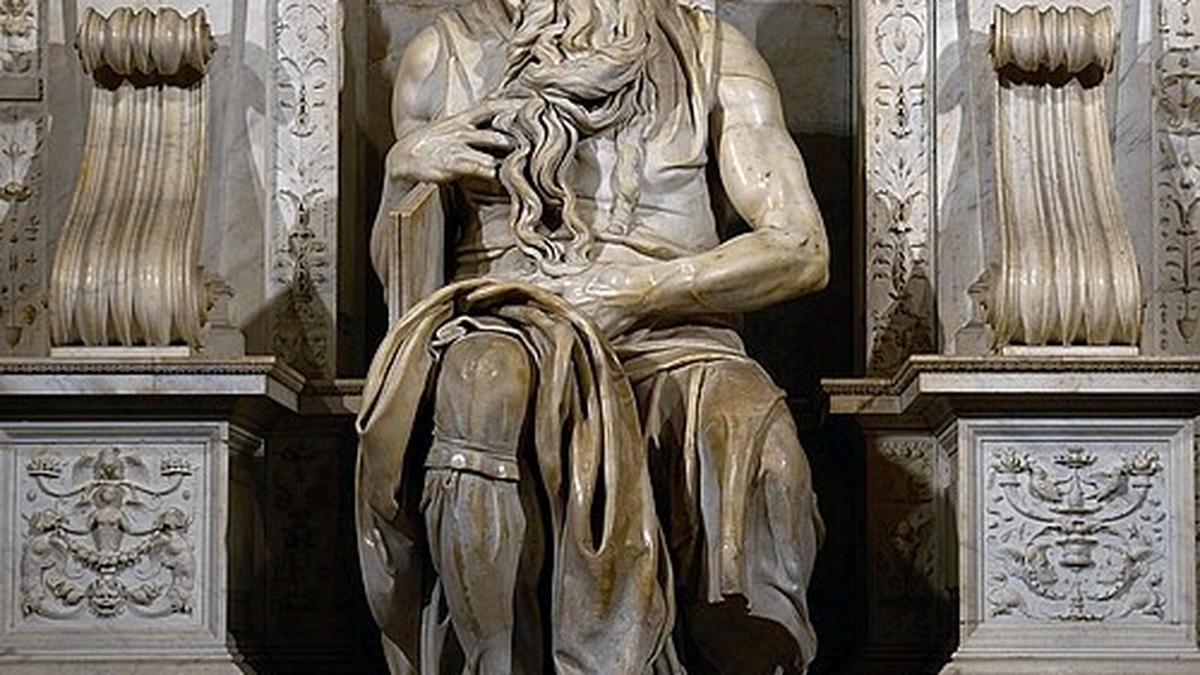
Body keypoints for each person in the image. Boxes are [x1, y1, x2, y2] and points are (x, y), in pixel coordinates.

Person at [358, 0, 830, 671]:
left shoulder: (713, 55)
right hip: (504, 317)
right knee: (480, 382)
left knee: (759, 438)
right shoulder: (441, 57)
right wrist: (404, 173)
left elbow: (801, 247)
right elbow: (402, 289)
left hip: (674, 332)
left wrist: (634, 291)